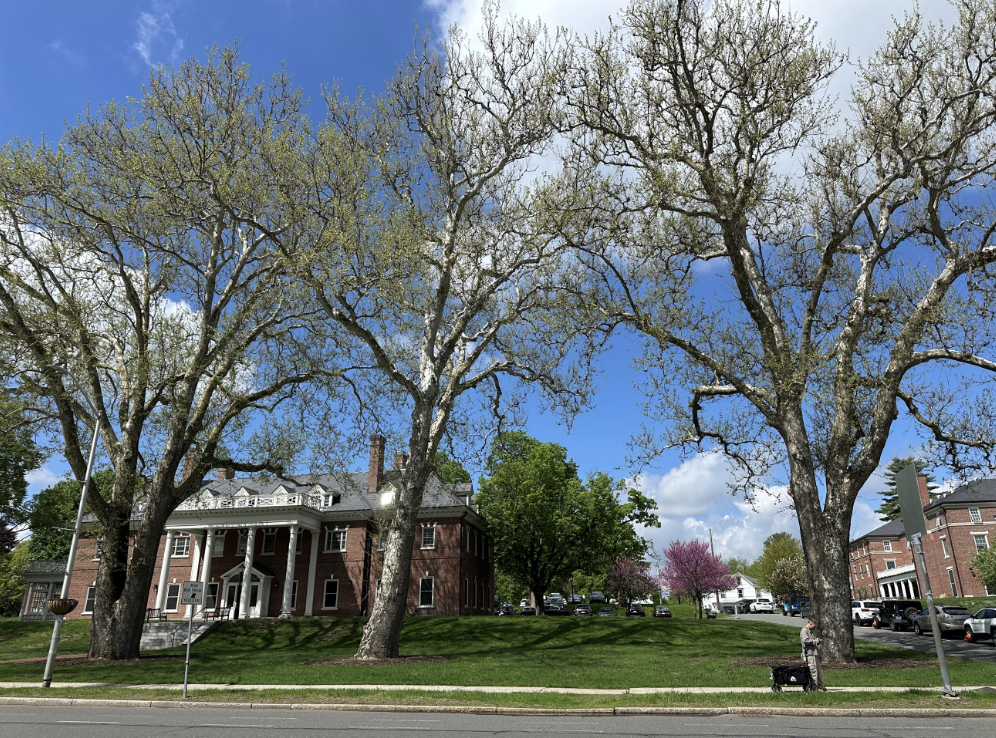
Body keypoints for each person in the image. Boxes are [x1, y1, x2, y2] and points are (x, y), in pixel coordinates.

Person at [800, 619, 826, 691]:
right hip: (809, 654)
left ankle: (821, 686)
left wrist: (817, 641)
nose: (814, 628)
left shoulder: (810, 632)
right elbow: (805, 641)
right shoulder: (804, 631)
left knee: (819, 671)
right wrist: (815, 641)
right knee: (813, 671)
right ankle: (814, 687)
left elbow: (811, 642)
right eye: (814, 626)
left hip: (814, 653)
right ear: (810, 624)